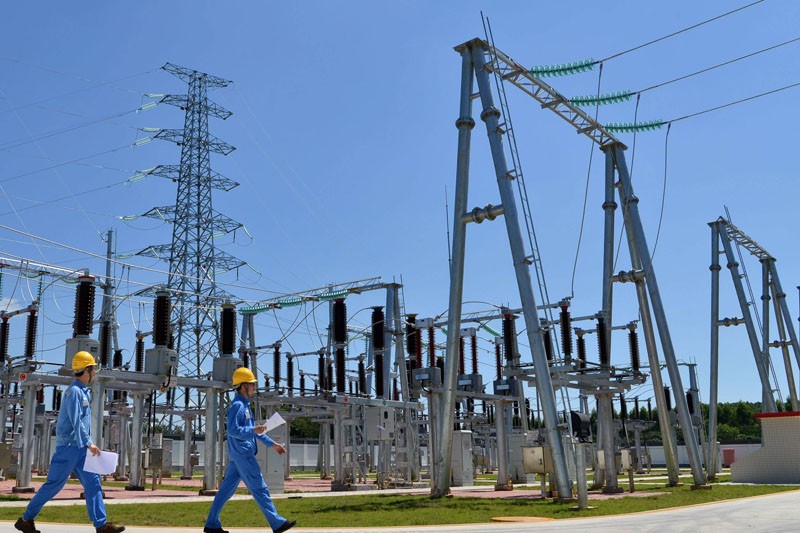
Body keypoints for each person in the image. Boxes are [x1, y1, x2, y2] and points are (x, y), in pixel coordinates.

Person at [15, 351, 125, 533]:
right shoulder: (74, 392)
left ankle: (101, 525)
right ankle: (26, 519)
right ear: (87, 370)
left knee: (93, 482)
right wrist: (89, 442)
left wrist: (86, 444)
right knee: (54, 485)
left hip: (80, 448)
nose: (95, 373)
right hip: (69, 448)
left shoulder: (83, 392)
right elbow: (76, 420)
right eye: (93, 369)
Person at [203, 367, 296, 533]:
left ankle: (211, 524)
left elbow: (256, 432)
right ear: (243, 386)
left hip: (238, 457)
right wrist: (253, 430)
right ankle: (277, 523)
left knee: (225, 492)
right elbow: (232, 430)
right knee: (260, 488)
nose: (254, 387)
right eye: (251, 384)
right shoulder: (238, 406)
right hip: (243, 455)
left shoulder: (245, 406)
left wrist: (272, 444)